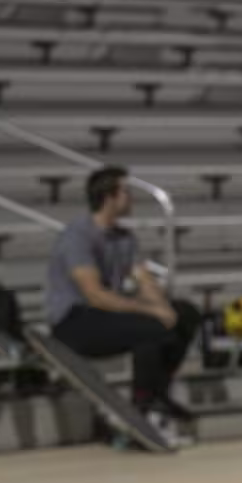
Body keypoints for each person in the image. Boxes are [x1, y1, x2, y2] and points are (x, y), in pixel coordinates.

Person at [45, 167, 203, 441]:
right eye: (126, 192)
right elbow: (94, 295)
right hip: (73, 321)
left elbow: (143, 280)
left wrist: (164, 308)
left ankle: (157, 395)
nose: (131, 199)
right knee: (150, 327)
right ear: (109, 197)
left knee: (185, 314)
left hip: (105, 316)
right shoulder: (78, 236)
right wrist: (152, 311)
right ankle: (143, 405)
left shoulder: (124, 238)